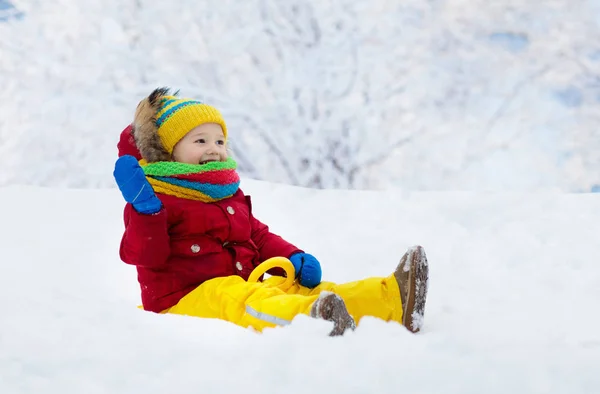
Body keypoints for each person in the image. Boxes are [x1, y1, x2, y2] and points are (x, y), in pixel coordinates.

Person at [114, 87, 429, 336]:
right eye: (200, 140)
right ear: (169, 150)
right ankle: (311, 323)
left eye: (220, 140)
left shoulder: (226, 194)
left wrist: (293, 256)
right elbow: (145, 256)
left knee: (301, 289)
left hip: (247, 282)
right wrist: (146, 211)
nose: (214, 148)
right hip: (186, 297)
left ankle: (389, 299)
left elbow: (256, 235)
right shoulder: (157, 198)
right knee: (242, 298)